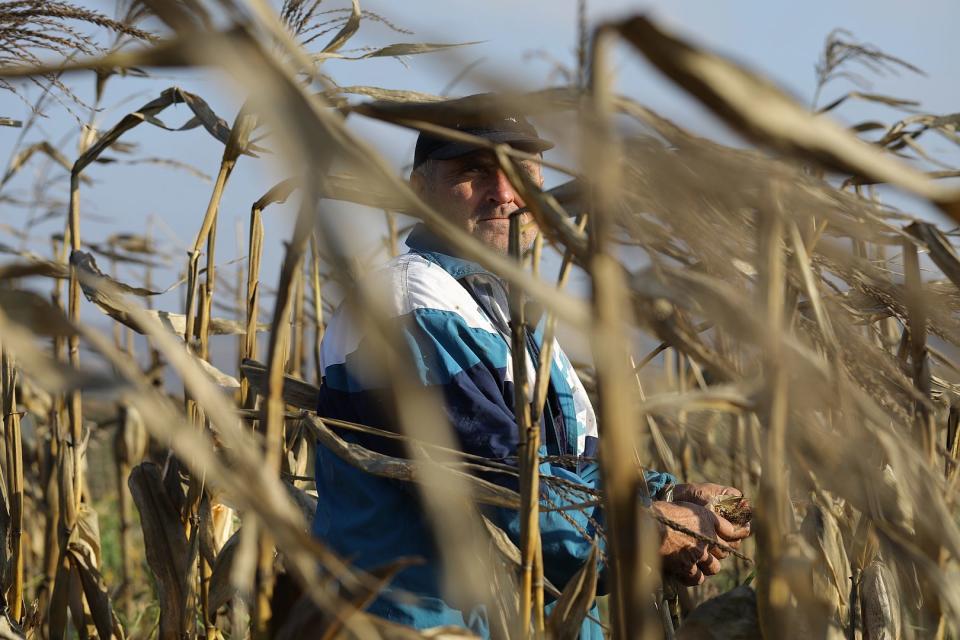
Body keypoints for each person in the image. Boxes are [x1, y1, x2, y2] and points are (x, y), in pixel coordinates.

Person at [311, 104, 751, 637]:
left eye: (520, 169)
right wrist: (651, 532)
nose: (504, 192)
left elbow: (572, 470)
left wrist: (668, 497)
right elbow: (504, 489)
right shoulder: (412, 305)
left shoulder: (515, 320)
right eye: (472, 172)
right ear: (420, 191)